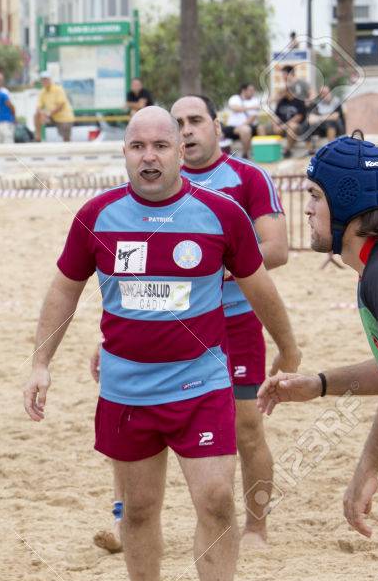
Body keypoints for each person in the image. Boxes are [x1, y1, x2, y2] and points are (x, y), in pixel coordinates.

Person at [22, 107, 300, 581]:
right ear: (124, 152)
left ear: (179, 153)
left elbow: (260, 286)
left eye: (160, 147)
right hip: (126, 393)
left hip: (200, 387)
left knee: (216, 498)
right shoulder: (96, 216)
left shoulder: (220, 213)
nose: (149, 157)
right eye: (137, 147)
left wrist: (288, 347)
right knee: (140, 509)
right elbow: (64, 290)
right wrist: (40, 362)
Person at [92, 95, 290, 553]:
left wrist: (209, 264)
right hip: (158, 325)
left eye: (195, 121)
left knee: (246, 426)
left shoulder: (245, 178)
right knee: (129, 412)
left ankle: (256, 527)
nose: (186, 131)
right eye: (177, 124)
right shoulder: (145, 187)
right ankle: (123, 520)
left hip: (233, 320)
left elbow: (276, 250)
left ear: (216, 127)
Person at [260, 137, 378, 538]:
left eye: (315, 195)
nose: (305, 208)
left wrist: (367, 469)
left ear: (348, 202)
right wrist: (319, 385)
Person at [34, 72, 75, 142]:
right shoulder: (42, 92)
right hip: (51, 116)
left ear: (50, 80)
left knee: (66, 138)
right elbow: (39, 106)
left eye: (46, 79)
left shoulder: (58, 89)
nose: (44, 81)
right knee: (36, 115)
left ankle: (68, 149)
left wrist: (48, 114)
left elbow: (60, 105)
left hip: (64, 117)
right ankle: (38, 137)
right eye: (43, 80)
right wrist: (42, 113)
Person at [223, 83, 261, 158]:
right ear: (244, 90)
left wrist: (242, 126)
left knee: (256, 128)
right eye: (250, 90)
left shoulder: (255, 100)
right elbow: (234, 108)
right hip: (232, 127)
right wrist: (252, 107)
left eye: (253, 90)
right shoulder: (235, 98)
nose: (253, 92)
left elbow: (253, 117)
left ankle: (257, 153)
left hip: (247, 126)